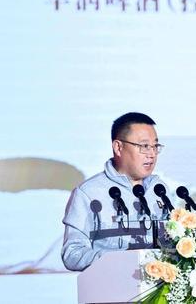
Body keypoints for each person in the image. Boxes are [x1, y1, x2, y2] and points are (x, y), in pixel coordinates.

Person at [61, 112, 169, 271]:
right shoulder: (88, 193)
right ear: (118, 147)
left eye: (155, 146)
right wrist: (117, 260)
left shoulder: (159, 189)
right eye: (144, 146)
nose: (152, 154)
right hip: (111, 284)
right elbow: (72, 254)